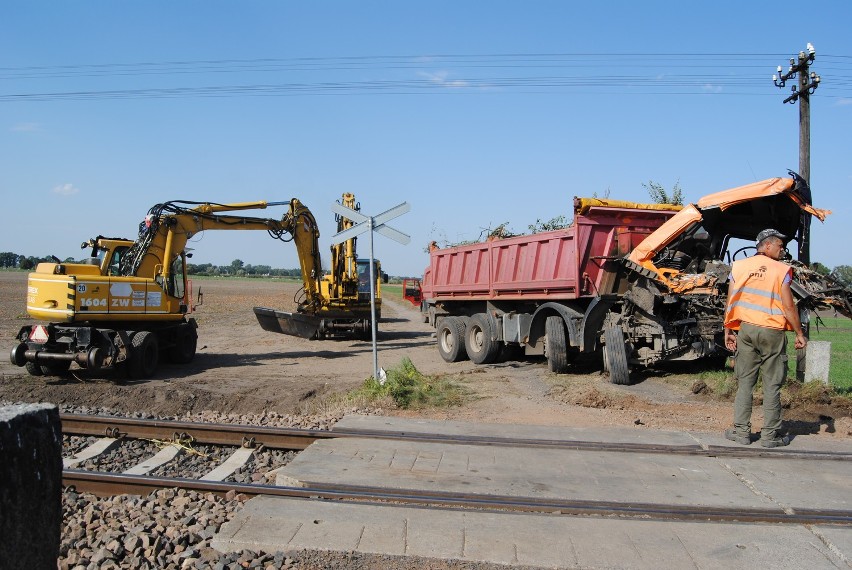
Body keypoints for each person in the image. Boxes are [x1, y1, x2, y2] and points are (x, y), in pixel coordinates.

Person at [723, 229, 807, 448]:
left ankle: (741, 433)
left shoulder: (739, 267)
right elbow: (788, 306)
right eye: (780, 246)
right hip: (772, 332)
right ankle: (770, 437)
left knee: (745, 383)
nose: (783, 250)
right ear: (767, 246)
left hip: (747, 330)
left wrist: (728, 329)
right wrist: (799, 333)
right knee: (772, 384)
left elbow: (730, 300)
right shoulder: (782, 270)